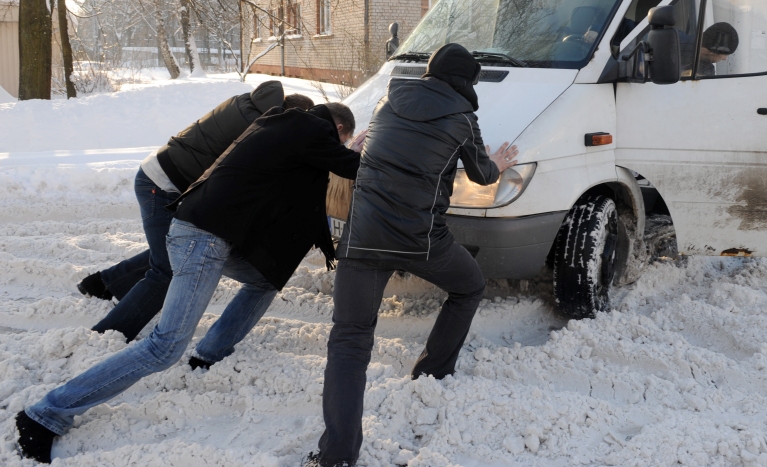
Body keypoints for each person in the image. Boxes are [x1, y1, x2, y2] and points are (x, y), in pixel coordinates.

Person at [17, 102, 363, 464]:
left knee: (265, 279)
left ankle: (209, 354)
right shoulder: (309, 129)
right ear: (338, 129)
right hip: (203, 239)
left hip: (210, 234)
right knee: (164, 347)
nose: (337, 147)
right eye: (343, 139)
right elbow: (352, 166)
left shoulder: (283, 125)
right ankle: (45, 413)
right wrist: (361, 151)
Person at [307, 43, 518, 467]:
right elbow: (482, 175)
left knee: (349, 342)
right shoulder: (462, 119)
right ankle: (433, 372)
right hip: (421, 241)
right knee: (470, 285)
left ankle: (336, 458)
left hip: (363, 239)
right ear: (465, 82)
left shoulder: (387, 100)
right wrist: (495, 160)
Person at [76, 85, 315, 342]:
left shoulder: (250, 104)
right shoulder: (259, 127)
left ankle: (105, 284)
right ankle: (109, 334)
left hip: (163, 173)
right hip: (162, 184)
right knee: (168, 269)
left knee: (176, 245)